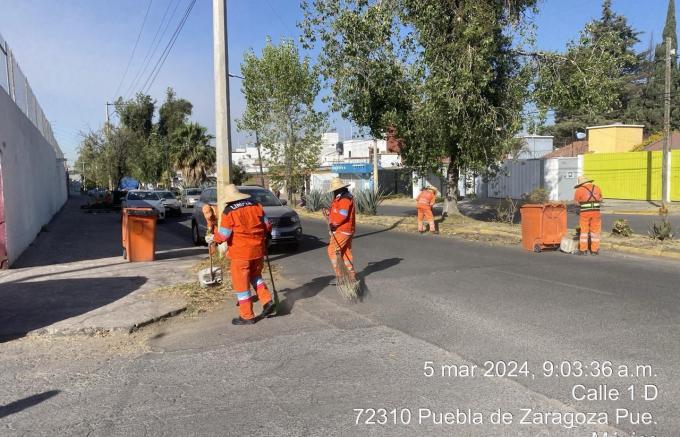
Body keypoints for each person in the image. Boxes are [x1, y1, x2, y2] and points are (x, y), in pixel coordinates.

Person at [208, 184, 275, 325]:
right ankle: (267, 301)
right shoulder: (256, 205)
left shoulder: (228, 212)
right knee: (256, 277)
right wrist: (267, 235)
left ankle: (247, 315)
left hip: (241, 254)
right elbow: (268, 225)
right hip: (258, 251)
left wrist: (213, 238)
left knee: (241, 286)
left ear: (229, 199)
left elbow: (224, 235)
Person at [323, 178, 357, 281]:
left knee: (332, 250)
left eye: (334, 189)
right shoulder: (340, 197)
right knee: (345, 252)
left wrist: (334, 224)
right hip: (345, 229)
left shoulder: (344, 199)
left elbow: (343, 215)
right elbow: (338, 212)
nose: (333, 191)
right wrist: (329, 213)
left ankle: (341, 275)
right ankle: (351, 276)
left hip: (342, 229)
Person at [573, 176, 603, 256]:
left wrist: (581, 205)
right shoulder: (597, 188)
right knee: (595, 232)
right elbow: (601, 199)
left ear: (581, 183)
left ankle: (583, 250)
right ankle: (595, 250)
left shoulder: (579, 190)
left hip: (585, 213)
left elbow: (576, 203)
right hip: (596, 212)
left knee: (584, 231)